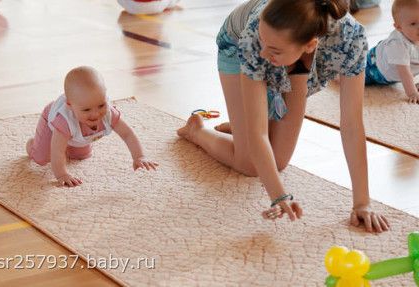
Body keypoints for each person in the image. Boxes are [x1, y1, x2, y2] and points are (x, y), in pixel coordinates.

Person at [177, 0, 390, 233]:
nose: (264, 54)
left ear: (310, 45)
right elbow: (258, 133)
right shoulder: (256, 40)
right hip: (236, 46)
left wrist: (362, 202)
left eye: (274, 50)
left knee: (278, 161)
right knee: (249, 164)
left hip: (299, 65)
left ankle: (240, 125)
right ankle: (197, 131)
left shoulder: (350, 40)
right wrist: (279, 196)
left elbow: (351, 123)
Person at [27, 66, 158, 187]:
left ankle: (71, 142)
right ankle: (33, 145)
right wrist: (62, 174)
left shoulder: (108, 114)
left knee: (81, 156)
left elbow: (127, 134)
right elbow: (57, 151)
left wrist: (139, 156)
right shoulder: (63, 121)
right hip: (52, 126)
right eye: (86, 110)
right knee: (43, 158)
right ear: (70, 106)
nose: (95, 114)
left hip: (77, 133)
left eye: (101, 105)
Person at [364, 0, 419, 104]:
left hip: (385, 53)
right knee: (354, 77)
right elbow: (404, 73)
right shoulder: (398, 44)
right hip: (375, 68)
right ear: (399, 27)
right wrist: (412, 93)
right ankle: (337, 74)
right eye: (413, 24)